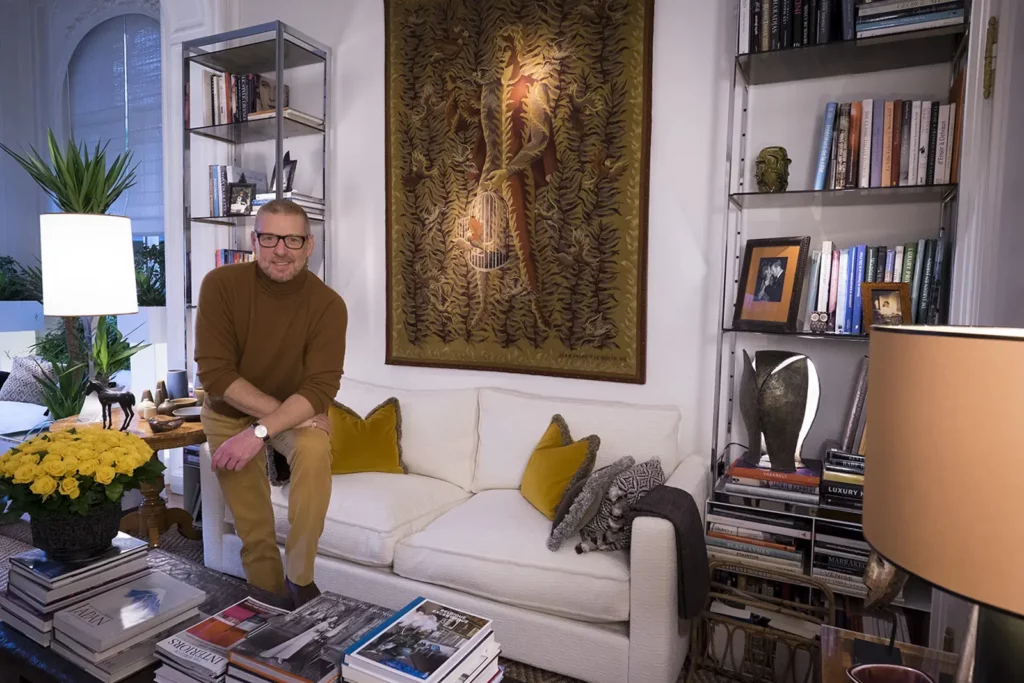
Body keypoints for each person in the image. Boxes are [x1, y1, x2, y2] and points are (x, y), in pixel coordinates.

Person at [194, 199, 347, 608]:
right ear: (254, 240)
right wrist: (279, 419)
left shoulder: (329, 305)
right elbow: (216, 375)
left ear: (309, 245)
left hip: (290, 414)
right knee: (254, 528)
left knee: (314, 449)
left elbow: (320, 387)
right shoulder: (220, 285)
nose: (281, 250)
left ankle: (300, 580)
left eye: (292, 240)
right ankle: (271, 607)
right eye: (270, 238)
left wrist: (261, 431)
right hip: (228, 413)